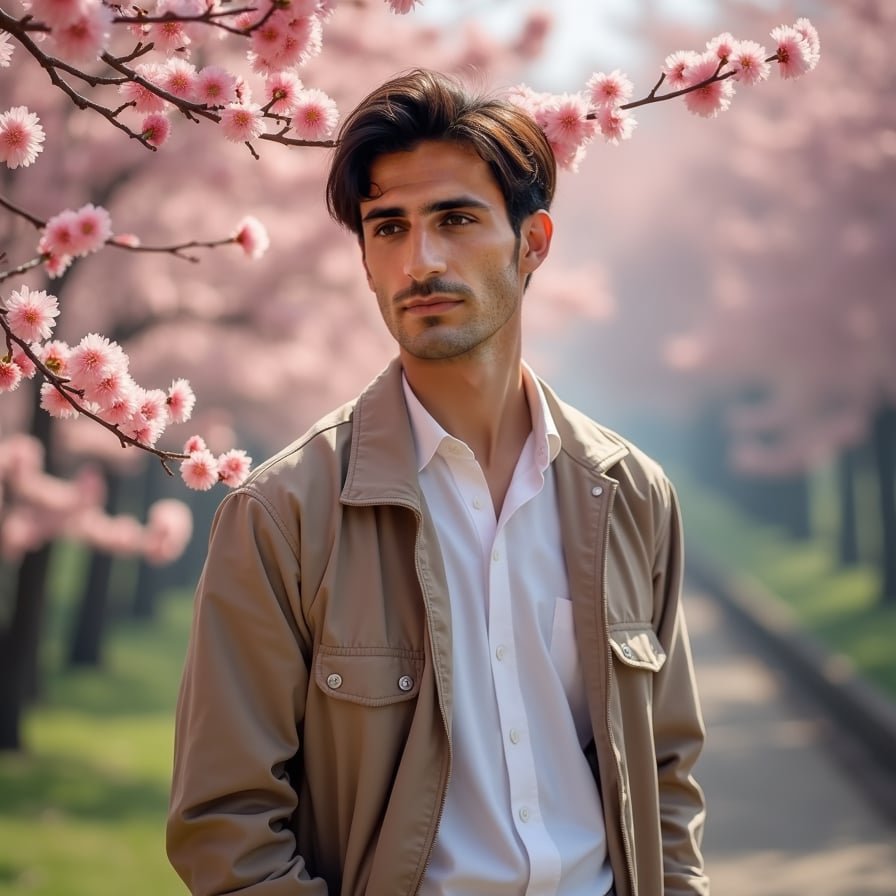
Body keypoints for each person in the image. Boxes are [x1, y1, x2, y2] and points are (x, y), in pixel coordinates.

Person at [167, 69, 709, 896]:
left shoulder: (631, 495)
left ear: (533, 243)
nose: (419, 261)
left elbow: (666, 777)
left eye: (455, 219)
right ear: (365, 260)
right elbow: (227, 827)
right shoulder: (283, 516)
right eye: (389, 228)